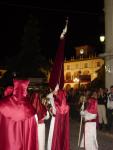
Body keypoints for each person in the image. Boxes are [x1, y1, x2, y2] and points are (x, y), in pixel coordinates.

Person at [0, 79, 39, 150]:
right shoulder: (30, 110)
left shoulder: (2, 105)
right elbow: (31, 136)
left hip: (7, 144)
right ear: (25, 90)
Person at [47, 84, 70, 150]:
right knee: (58, 136)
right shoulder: (66, 105)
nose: (56, 93)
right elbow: (48, 97)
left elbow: (54, 111)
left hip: (55, 120)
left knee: (54, 135)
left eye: (57, 92)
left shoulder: (57, 103)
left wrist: (51, 108)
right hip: (59, 122)